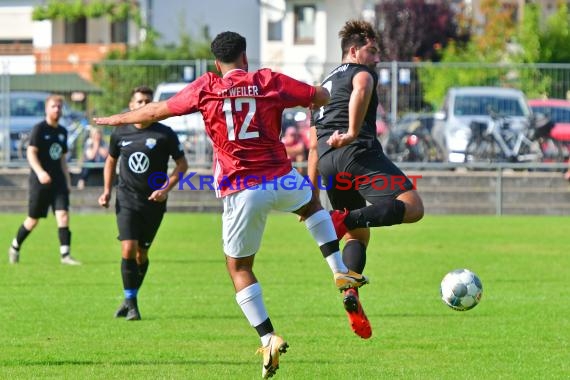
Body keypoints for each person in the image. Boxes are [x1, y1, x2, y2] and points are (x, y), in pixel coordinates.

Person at [94, 31, 367, 379]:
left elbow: (156, 110)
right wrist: (311, 97)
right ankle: (338, 268)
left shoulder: (206, 88)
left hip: (242, 189)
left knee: (238, 268)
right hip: (282, 178)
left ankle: (268, 336)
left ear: (215, 62)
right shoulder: (269, 80)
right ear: (245, 57)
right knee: (312, 205)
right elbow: (322, 95)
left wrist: (113, 119)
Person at [308, 20, 424, 339]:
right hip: (356, 153)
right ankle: (342, 218)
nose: (376, 58)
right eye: (372, 51)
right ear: (354, 50)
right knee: (413, 207)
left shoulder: (323, 86)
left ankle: (351, 287)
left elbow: (312, 142)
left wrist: (312, 190)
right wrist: (353, 133)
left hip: (329, 162)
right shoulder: (359, 71)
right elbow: (362, 86)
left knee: (357, 236)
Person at [98, 86, 188, 321]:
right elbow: (110, 162)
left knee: (142, 254)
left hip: (154, 202)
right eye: (139, 101)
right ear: (131, 105)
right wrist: (107, 190)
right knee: (128, 248)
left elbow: (182, 166)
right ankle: (132, 303)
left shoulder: (165, 134)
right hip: (126, 198)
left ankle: (129, 298)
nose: (143, 105)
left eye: (147, 101)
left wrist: (165, 188)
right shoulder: (120, 133)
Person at [8, 94, 81, 265]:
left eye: (59, 107)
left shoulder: (62, 132)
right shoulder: (39, 129)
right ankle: (15, 246)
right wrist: (40, 172)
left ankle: (65, 255)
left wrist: (67, 180)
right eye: (53, 106)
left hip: (59, 182)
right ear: (47, 109)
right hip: (40, 183)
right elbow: (31, 153)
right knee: (33, 220)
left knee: (63, 215)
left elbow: (62, 158)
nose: (57, 110)